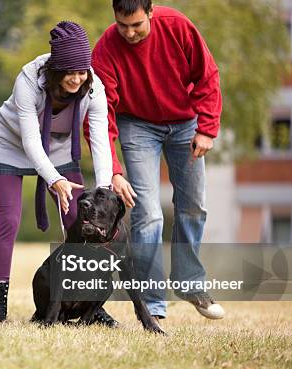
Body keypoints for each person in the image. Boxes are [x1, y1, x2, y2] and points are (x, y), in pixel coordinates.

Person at [88, 0, 225, 320]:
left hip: (186, 123)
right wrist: (115, 172)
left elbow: (207, 76)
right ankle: (152, 305)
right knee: (147, 213)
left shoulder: (177, 26)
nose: (130, 33)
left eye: (137, 25)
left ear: (151, 12)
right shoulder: (107, 47)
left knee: (193, 205)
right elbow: (100, 114)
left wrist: (207, 128)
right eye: (123, 25)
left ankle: (190, 282)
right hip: (136, 125)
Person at [0, 21, 113, 321]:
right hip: (10, 145)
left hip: (58, 149)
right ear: (57, 70)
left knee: (80, 221)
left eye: (82, 71)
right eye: (70, 72)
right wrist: (53, 179)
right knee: (9, 221)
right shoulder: (29, 80)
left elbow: (100, 140)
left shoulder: (94, 89)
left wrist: (104, 188)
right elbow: (30, 140)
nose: (77, 78)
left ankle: (91, 305)